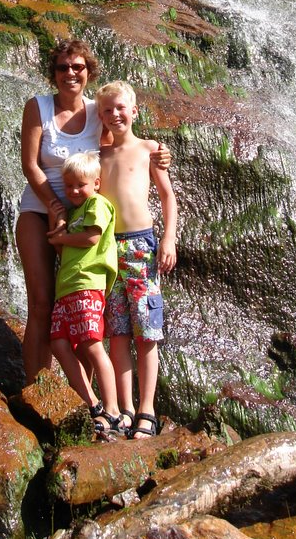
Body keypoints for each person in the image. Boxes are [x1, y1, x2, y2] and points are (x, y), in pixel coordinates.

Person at [16, 38, 170, 382]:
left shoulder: (96, 113)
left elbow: (120, 146)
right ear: (52, 72)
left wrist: (160, 153)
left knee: (85, 303)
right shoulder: (37, 107)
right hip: (38, 210)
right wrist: (55, 207)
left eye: (78, 67)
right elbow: (30, 165)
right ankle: (35, 389)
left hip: (85, 220)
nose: (70, 73)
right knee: (41, 303)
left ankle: (84, 396)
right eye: (62, 67)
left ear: (88, 72)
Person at [95, 80, 178, 439]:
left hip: (141, 247)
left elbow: (167, 196)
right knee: (117, 332)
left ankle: (148, 409)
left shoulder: (150, 150)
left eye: (121, 108)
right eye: (108, 110)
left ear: (134, 111)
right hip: (107, 250)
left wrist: (168, 237)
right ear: (101, 115)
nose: (115, 114)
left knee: (147, 332)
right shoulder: (99, 157)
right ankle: (125, 408)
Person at [47, 150, 123, 437]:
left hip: (87, 284)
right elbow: (62, 248)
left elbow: (91, 237)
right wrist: (60, 228)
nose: (74, 191)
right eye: (68, 186)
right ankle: (92, 404)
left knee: (92, 345)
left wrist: (63, 236)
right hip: (65, 286)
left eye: (80, 184)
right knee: (58, 343)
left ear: (96, 183)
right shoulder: (74, 213)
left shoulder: (98, 205)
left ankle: (113, 410)